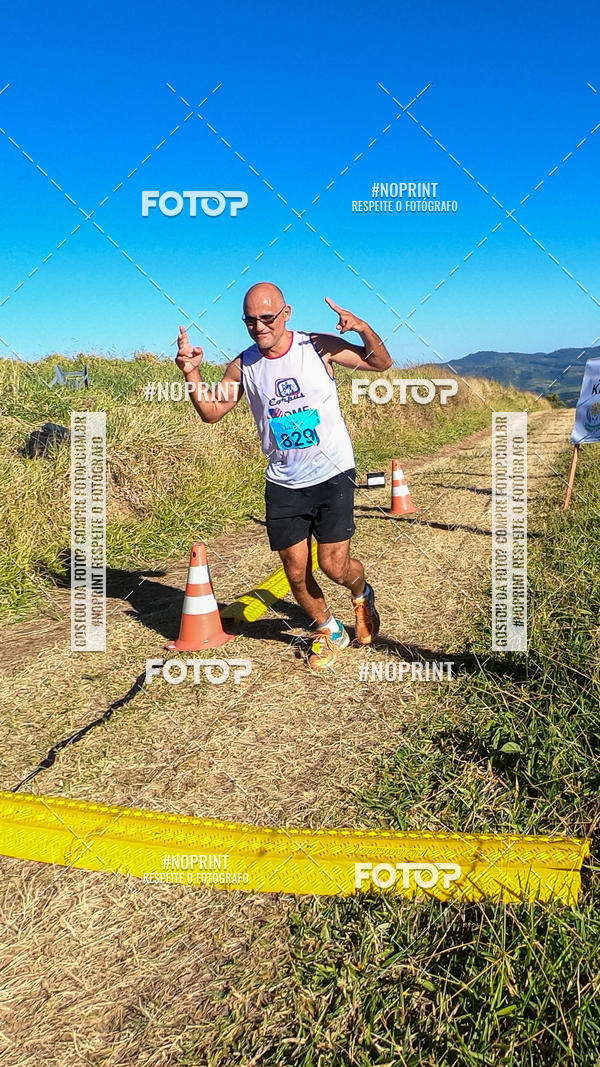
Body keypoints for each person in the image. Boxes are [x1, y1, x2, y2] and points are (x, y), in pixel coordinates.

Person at [175, 281, 393, 671]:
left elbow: (380, 363)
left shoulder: (318, 346)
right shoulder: (244, 365)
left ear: (286, 313)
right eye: (250, 321)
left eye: (267, 318)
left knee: (334, 565)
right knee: (295, 572)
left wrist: (362, 327)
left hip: (332, 471)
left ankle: (361, 593)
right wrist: (191, 373)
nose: (259, 327)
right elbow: (211, 412)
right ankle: (329, 629)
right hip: (284, 481)